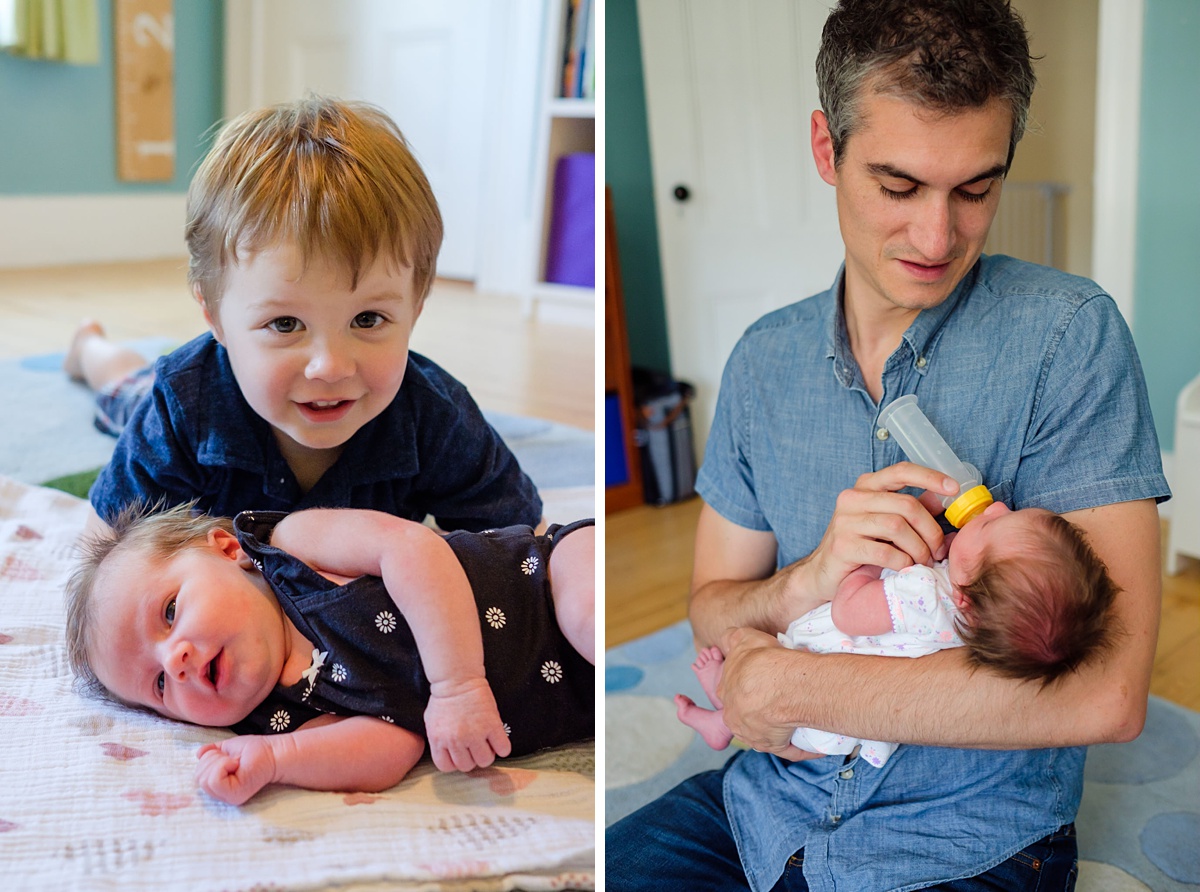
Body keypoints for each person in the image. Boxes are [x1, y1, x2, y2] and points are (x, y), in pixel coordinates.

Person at [606, 1, 1169, 890]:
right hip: (764, 804)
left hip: (970, 836)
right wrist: (811, 581)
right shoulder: (763, 361)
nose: (938, 238)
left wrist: (785, 688)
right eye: (899, 186)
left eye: (977, 188)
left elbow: (1108, 692)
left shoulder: (1069, 339)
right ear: (827, 150)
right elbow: (714, 610)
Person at [71, 95, 541, 533]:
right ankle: (89, 348)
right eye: (284, 324)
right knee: (125, 387)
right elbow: (107, 550)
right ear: (212, 316)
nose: (331, 366)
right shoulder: (182, 405)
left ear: (416, 308)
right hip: (169, 396)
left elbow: (524, 543)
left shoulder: (436, 415)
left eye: (368, 319)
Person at [65, 502, 595, 806]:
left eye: (170, 611)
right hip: (575, 699)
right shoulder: (278, 717)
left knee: (589, 617)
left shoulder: (296, 548)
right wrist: (274, 761)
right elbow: (392, 746)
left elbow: (412, 548)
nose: (175, 660)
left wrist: (457, 684)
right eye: (159, 685)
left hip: (547, 578)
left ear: (228, 550)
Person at [676, 503, 1119, 765]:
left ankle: (720, 710)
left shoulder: (923, 592)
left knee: (751, 655)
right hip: (840, 732)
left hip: (811, 672)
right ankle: (719, 719)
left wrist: (873, 560)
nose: (998, 507)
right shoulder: (980, 629)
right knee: (760, 696)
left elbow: (851, 613)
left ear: (964, 593)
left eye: (986, 526)